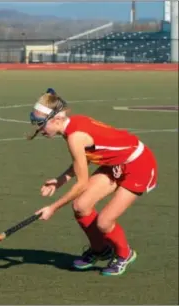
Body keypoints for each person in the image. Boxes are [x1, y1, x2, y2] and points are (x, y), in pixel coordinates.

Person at [30, 90, 158, 276]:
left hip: (138, 165)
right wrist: (59, 180)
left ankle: (125, 254)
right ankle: (100, 250)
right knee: (81, 206)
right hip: (115, 163)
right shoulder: (72, 126)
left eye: (41, 124)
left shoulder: (75, 137)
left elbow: (81, 184)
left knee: (104, 222)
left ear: (56, 120)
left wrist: (53, 208)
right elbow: (85, 159)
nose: (39, 129)